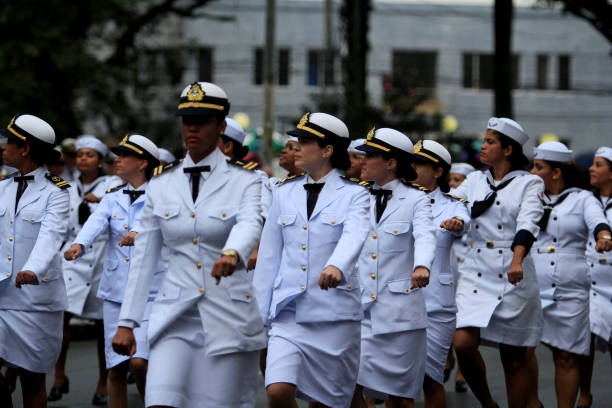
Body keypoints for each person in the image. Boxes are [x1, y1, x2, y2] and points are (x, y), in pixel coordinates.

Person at [112, 81, 266, 407]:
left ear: (221, 126)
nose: (192, 127)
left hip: (228, 317)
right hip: (174, 316)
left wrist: (232, 252)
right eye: (187, 120)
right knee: (160, 402)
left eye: (203, 120)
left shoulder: (246, 180)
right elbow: (144, 256)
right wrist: (127, 322)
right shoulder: (162, 183)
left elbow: (250, 222)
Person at [254, 112, 370, 408]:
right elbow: (270, 256)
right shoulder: (283, 192)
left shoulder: (355, 195)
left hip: (334, 316)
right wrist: (258, 313)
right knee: (277, 390)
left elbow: (354, 234)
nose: (297, 146)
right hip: (288, 312)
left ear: (327, 150)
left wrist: (337, 265)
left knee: (329, 402)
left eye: (305, 141)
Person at [451, 117, 544, 408]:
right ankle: (488, 402)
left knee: (514, 358)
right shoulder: (476, 180)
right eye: (485, 140)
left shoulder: (530, 182)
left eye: (490, 142)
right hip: (476, 269)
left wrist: (517, 261)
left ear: (508, 149)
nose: (483, 146)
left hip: (513, 272)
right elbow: (456, 204)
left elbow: (528, 223)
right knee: (463, 344)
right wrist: (454, 219)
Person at [63, 134, 163, 408]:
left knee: (140, 362)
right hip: (116, 290)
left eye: (124, 156)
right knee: (116, 368)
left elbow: (162, 225)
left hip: (149, 292)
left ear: (142, 163)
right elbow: (96, 222)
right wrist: (79, 244)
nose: (116, 160)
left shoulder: (162, 195)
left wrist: (138, 233)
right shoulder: (113, 196)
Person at [348, 129, 435, 408]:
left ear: (391, 162)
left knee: (400, 397)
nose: (363, 160)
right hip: (359, 310)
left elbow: (425, 235)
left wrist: (422, 265)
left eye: (371, 155)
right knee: (349, 386)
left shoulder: (416, 199)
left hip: (399, 316)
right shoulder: (355, 197)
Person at [528, 141, 611, 408]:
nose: (531, 172)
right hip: (531, 283)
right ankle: (531, 402)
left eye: (538, 167)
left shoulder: (582, 198)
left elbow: (597, 220)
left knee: (567, 356)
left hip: (571, 287)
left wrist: (603, 234)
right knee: (521, 352)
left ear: (556, 172)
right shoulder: (528, 196)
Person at [0, 114, 70, 407]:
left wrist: (32, 269)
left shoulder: (57, 191)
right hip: (2, 296)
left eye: (9, 143)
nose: (3, 148)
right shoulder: (2, 187)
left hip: (35, 301)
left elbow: (51, 236)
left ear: (25, 149)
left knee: (33, 379)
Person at [49, 136, 114, 405]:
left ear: (100, 160)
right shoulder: (65, 187)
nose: (83, 159)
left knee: (102, 327)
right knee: (61, 319)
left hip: (100, 257)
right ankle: (59, 376)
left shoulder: (112, 185)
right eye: (80, 155)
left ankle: (103, 382)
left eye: (90, 155)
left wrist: (97, 201)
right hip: (71, 257)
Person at [411, 140, 470, 408]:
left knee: (431, 379)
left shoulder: (452, 204)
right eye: (411, 161)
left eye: (420, 163)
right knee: (395, 383)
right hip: (400, 300)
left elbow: (462, 222)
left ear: (437, 171)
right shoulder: (398, 199)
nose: (413, 167)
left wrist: (457, 224)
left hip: (436, 303)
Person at [577, 146, 612, 408]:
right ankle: (585, 393)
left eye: (599, 164)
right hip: (589, 283)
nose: (592, 168)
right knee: (584, 339)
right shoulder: (585, 202)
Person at [447, 161, 476, 393]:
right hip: (449, 267)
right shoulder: (446, 200)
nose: (453, 184)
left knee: (463, 321)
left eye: (458, 180)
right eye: (451, 179)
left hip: (469, 268)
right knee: (445, 315)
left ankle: (462, 372)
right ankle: (447, 356)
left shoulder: (475, 203)